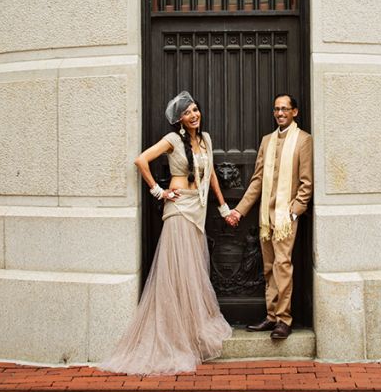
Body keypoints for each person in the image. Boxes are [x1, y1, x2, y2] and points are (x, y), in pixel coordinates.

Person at [98, 91, 233, 375]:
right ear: (180, 119)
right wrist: (159, 191)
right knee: (177, 273)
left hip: (197, 210)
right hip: (178, 209)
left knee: (192, 274)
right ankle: (175, 336)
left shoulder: (205, 139)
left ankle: (190, 331)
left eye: (195, 109)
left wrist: (223, 207)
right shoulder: (173, 140)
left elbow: (211, 176)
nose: (194, 115)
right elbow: (141, 160)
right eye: (188, 113)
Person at [226, 93, 313, 340]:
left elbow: (306, 182)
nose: (280, 113)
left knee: (282, 265)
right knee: (268, 268)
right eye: (276, 109)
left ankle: (284, 320)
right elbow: (256, 181)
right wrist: (239, 210)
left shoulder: (303, 140)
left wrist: (295, 211)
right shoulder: (267, 141)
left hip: (287, 216)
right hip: (266, 215)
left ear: (294, 112)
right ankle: (271, 316)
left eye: (285, 109)